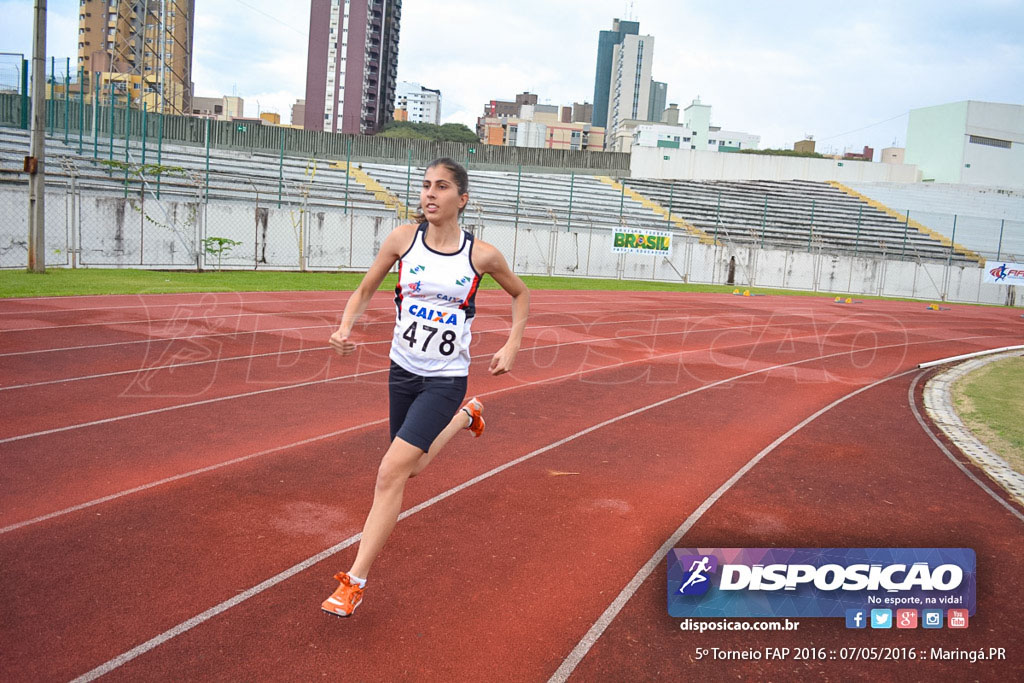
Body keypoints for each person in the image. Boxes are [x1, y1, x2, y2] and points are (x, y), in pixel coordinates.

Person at [321, 157, 530, 617]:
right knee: (410, 470)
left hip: (445, 378)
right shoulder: (402, 240)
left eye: (441, 187)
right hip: (401, 371)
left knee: (390, 472)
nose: (429, 195)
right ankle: (466, 418)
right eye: (425, 186)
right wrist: (345, 327)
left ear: (462, 199)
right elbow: (365, 289)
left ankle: (353, 581)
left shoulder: (481, 255)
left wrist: (513, 343)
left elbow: (520, 293)